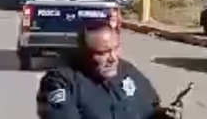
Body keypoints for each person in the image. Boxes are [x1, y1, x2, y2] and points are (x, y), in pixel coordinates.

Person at [36, 20, 183, 119]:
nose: (113, 58)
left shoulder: (128, 71)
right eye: (103, 52)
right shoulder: (61, 82)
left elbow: (150, 109)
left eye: (115, 49)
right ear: (84, 52)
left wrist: (165, 115)